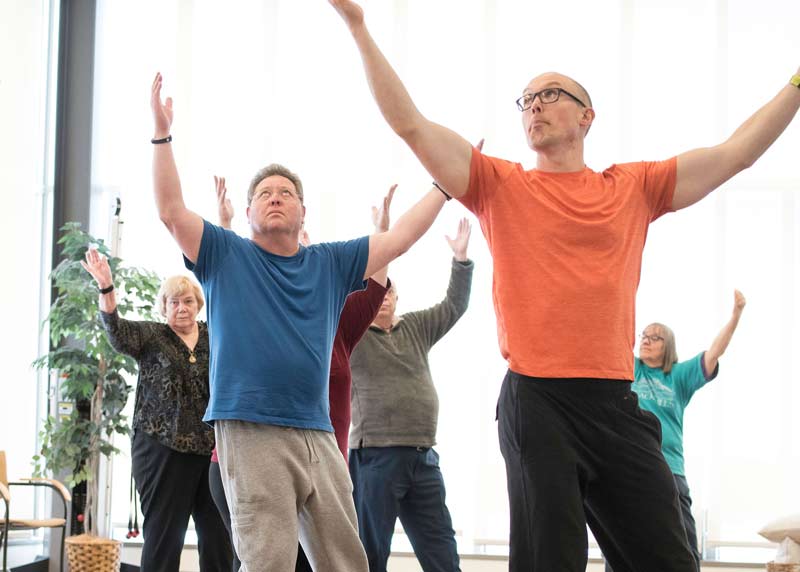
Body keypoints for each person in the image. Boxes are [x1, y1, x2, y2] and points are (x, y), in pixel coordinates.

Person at [329, 2, 800, 570]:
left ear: (587, 116)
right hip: (538, 399)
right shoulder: (498, 184)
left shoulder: (634, 186)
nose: (535, 106)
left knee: (670, 558)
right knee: (552, 559)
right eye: (527, 99)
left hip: (615, 402)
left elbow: (736, 154)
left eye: (551, 94)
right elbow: (409, 123)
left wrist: (797, 82)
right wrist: (358, 26)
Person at [150, 71, 450, 572]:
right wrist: (162, 133)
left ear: (302, 209)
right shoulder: (226, 255)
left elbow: (397, 241)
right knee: (268, 562)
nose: (274, 196)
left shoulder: (329, 263)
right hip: (251, 428)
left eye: (285, 191)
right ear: (246, 212)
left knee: (346, 561)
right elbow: (170, 210)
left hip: (316, 433)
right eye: (264, 192)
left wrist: (444, 187)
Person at [207, 175, 394, 572]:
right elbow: (233, 292)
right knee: (270, 560)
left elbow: (376, 277)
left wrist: (382, 230)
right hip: (252, 458)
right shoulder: (260, 295)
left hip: (320, 465)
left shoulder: (339, 324)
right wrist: (223, 225)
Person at [81, 248, 232, 572]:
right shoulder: (152, 335)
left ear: (197, 304)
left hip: (210, 451)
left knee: (219, 538)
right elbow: (116, 330)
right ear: (164, 307)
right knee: (164, 538)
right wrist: (106, 286)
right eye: (174, 302)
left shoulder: (213, 335)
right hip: (162, 449)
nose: (181, 308)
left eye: (187, 301)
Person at [349, 218, 473, 572]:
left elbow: (454, 305)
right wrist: (381, 236)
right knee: (371, 554)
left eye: (390, 292)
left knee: (442, 553)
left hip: (423, 456)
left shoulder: (416, 326)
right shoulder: (353, 335)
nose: (384, 297)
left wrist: (461, 260)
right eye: (378, 291)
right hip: (376, 458)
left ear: (397, 297)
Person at [605, 290, 747, 572]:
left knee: (683, 544)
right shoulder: (630, 369)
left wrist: (736, 314)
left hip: (670, 470)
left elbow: (714, 352)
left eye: (654, 337)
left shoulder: (679, 377)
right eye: (644, 335)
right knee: (620, 542)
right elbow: (610, 338)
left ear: (667, 345)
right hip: (628, 469)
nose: (645, 340)